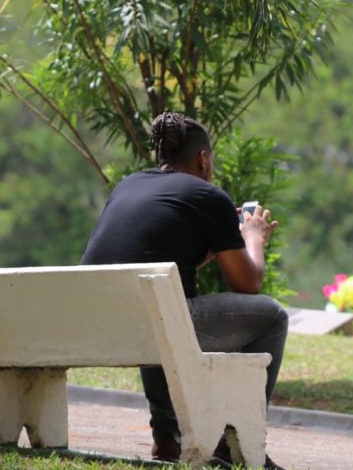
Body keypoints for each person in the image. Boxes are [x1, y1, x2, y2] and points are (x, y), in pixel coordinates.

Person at [80, 112, 288, 469]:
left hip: (102, 323)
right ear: (203, 159)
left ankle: (167, 440)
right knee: (272, 317)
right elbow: (248, 283)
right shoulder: (208, 195)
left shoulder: (127, 186)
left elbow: (161, 261)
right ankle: (233, 444)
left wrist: (215, 244)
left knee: (160, 307)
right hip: (156, 321)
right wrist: (253, 238)